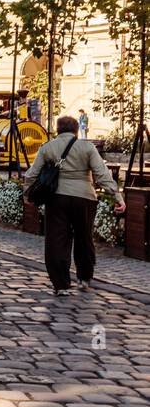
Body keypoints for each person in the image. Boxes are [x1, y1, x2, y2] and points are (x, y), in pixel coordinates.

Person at [25, 115, 126, 295]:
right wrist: (117, 196)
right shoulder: (87, 148)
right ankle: (84, 278)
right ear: (76, 130)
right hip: (85, 198)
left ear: (57, 129)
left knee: (56, 240)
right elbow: (101, 174)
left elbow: (31, 175)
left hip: (57, 198)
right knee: (84, 238)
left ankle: (61, 284)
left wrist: (27, 195)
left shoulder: (47, 148)